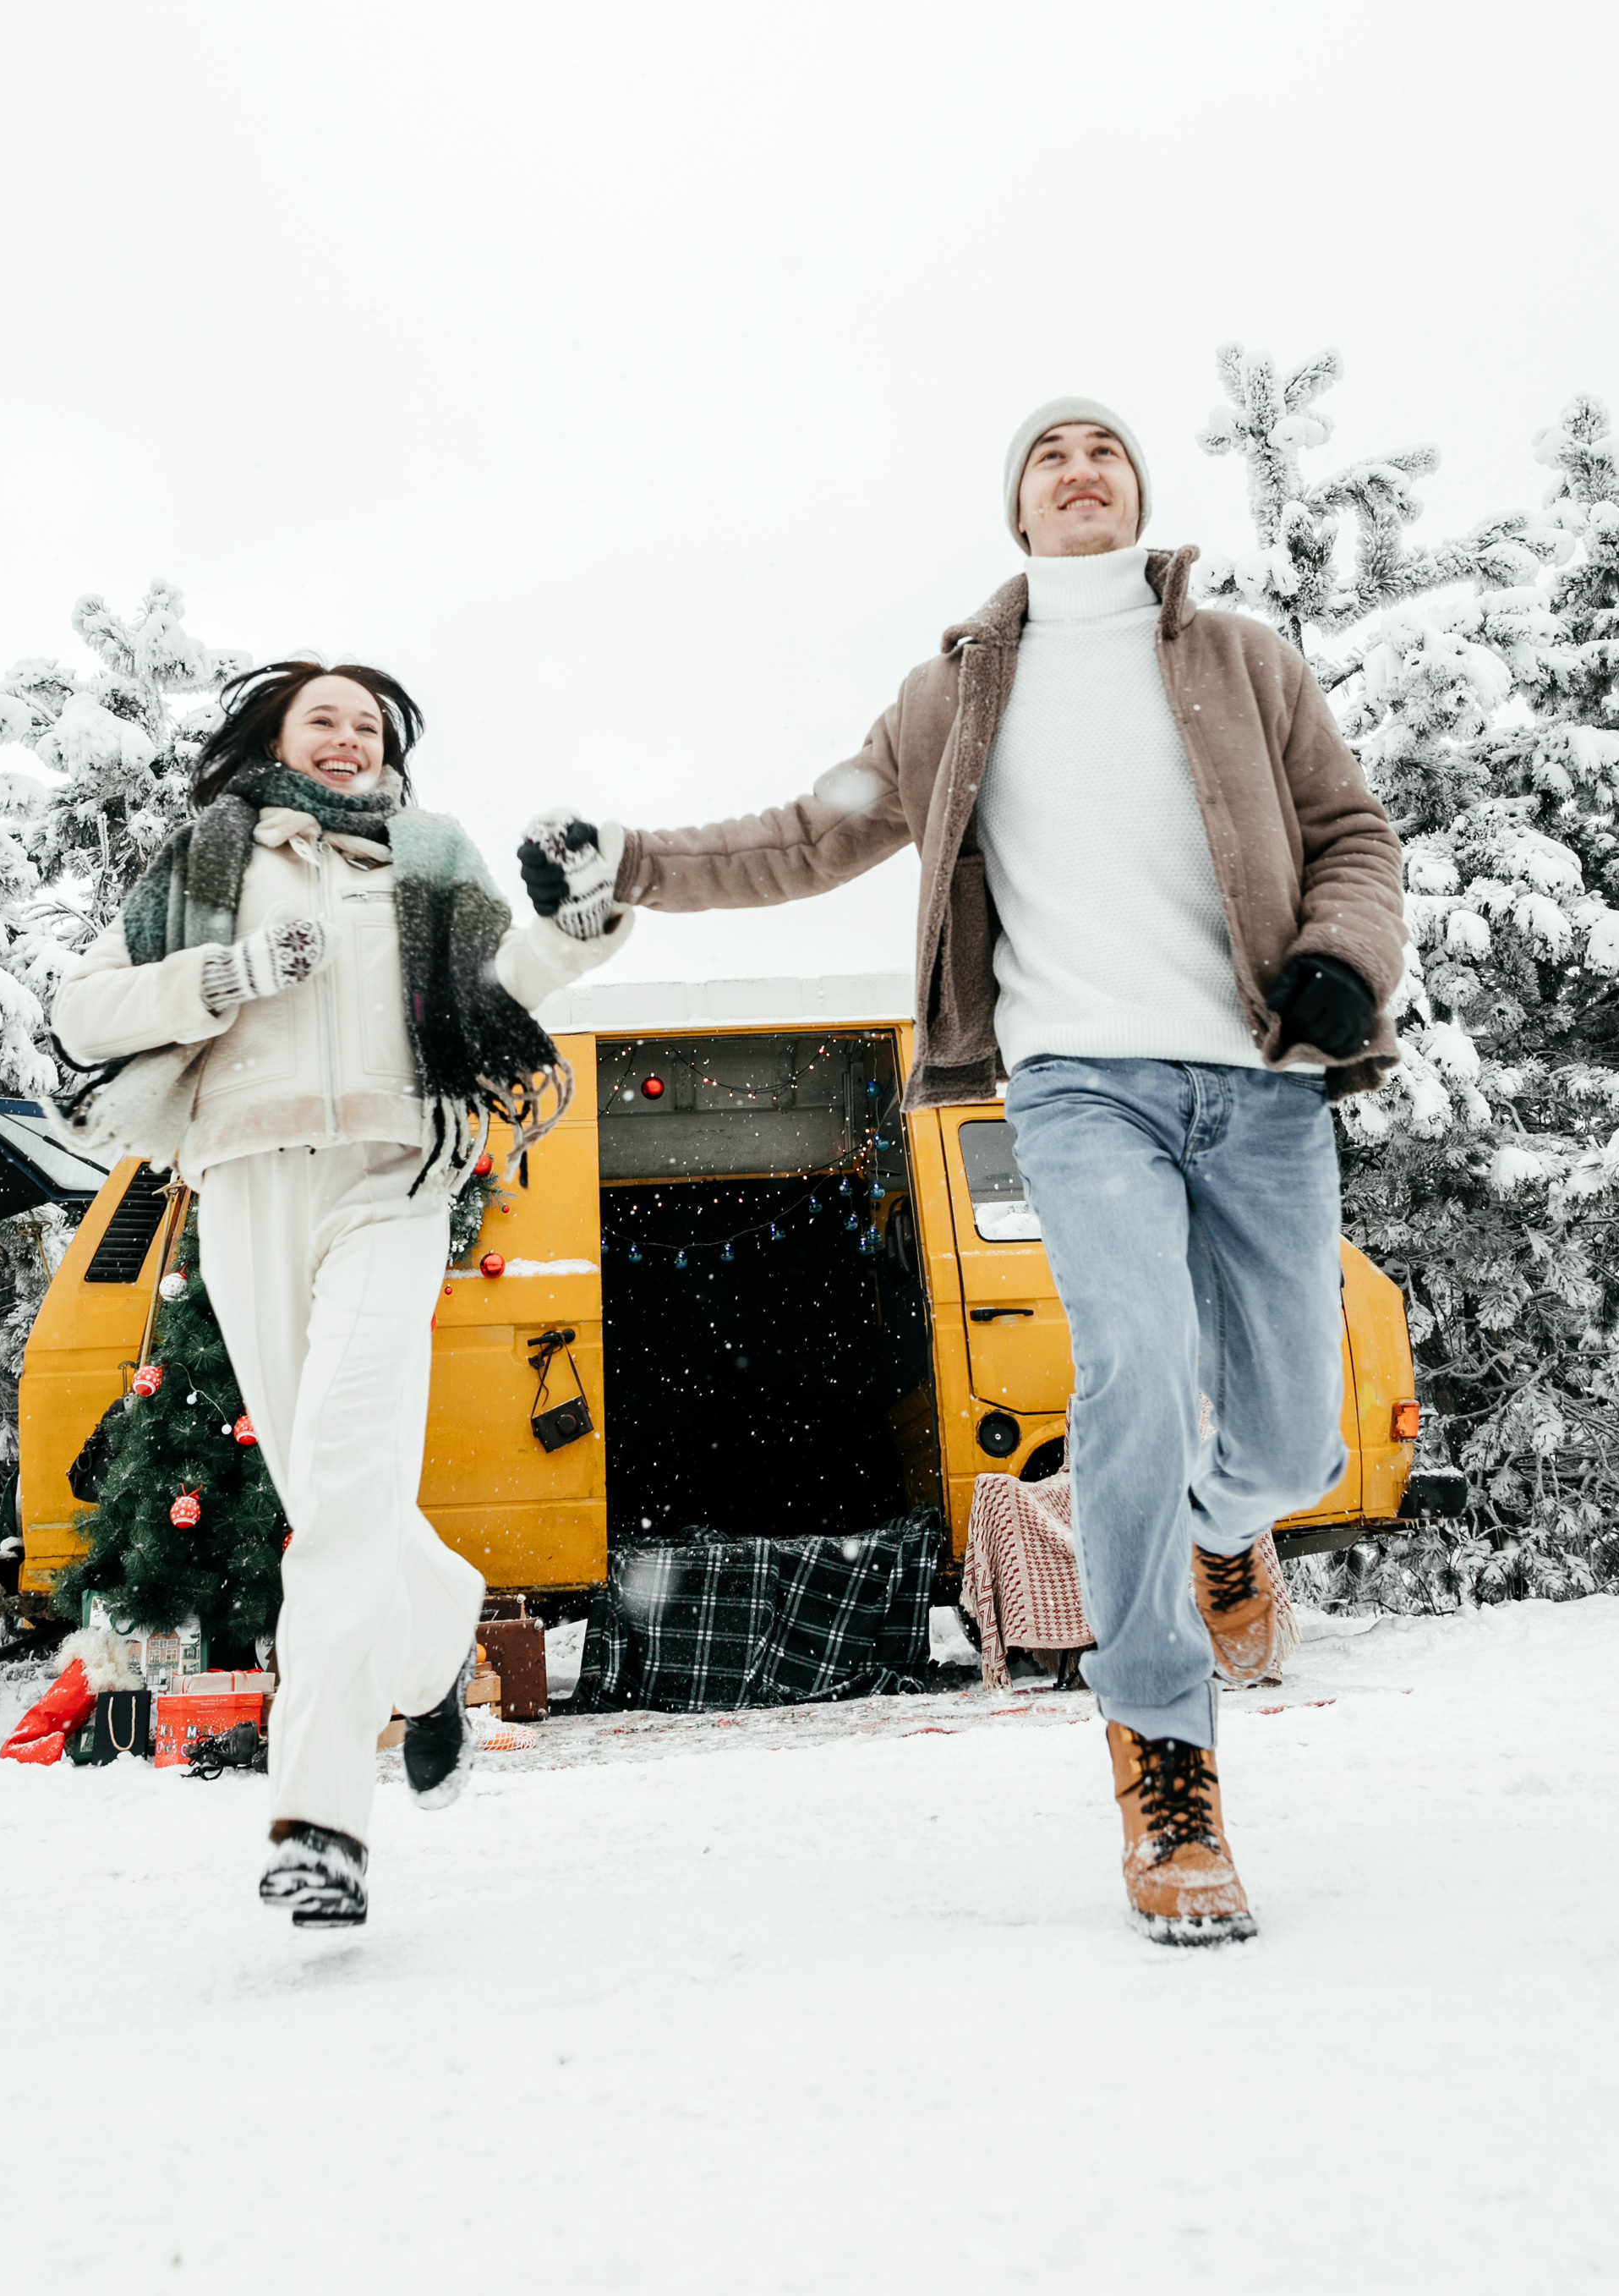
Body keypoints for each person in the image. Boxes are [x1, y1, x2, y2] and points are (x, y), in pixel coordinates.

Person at [521, 399, 1405, 1944]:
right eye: (1048, 459)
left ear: (1137, 495)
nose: (1080, 472)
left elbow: (1352, 834)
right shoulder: (955, 697)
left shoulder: (1240, 657)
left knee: (1290, 1453)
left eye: (1105, 454)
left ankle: (1220, 1526)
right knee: (1126, 1365)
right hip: (1077, 1085)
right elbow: (810, 835)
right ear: (1017, 510)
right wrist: (632, 858)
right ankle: (1165, 1757)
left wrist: (1342, 959)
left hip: (1261, 1083)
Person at [52, 662, 631, 1928]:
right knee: (328, 1490)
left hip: (392, 1181)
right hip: (247, 1180)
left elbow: (501, 992)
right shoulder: (206, 859)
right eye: (324, 716)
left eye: (367, 725)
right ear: (275, 733)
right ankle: (435, 1653)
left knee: (347, 1483)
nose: (347, 737)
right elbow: (86, 1012)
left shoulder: (422, 859)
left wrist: (585, 921)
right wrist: (232, 973)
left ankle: (321, 1815)